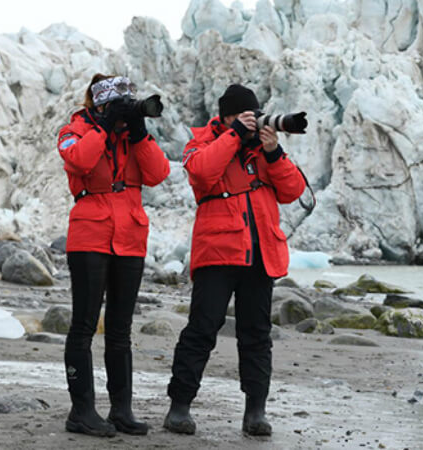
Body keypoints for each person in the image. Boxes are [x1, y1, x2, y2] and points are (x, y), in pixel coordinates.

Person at [164, 84, 306, 436]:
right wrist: (234, 136)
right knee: (201, 329)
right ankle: (179, 407)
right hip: (217, 253)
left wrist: (274, 153)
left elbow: (293, 192)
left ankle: (255, 412)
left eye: (254, 115)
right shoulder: (203, 142)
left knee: (257, 335)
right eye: (245, 116)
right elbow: (201, 172)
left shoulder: (262, 149)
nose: (252, 121)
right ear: (226, 116)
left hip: (260, 255)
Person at [57, 74, 170, 437]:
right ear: (101, 105)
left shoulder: (132, 137)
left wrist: (137, 131)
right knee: (84, 326)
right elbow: (79, 161)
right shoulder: (74, 129)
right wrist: (103, 128)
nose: (124, 112)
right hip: (90, 234)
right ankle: (82, 411)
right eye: (118, 106)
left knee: (120, 330)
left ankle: (121, 409)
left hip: (130, 237)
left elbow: (158, 173)